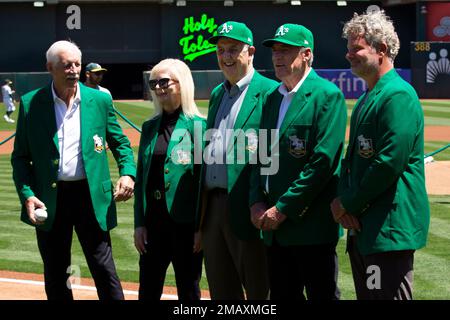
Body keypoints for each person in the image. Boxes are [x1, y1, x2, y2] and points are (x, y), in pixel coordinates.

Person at [11, 40, 136, 300]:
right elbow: (20, 158)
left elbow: (120, 142)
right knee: (56, 273)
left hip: (90, 196)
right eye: (66, 65)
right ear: (50, 68)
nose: (73, 70)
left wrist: (127, 172)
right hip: (51, 198)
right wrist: (27, 194)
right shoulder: (31, 103)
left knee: (103, 268)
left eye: (77, 64)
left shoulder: (99, 100)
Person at [331, 10, 430, 300]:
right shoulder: (368, 97)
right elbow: (352, 161)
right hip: (367, 228)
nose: (349, 55)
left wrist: (347, 202)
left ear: (382, 50)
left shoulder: (398, 94)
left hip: (387, 229)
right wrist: (344, 204)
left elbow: (389, 163)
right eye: (348, 48)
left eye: (356, 48)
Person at [249, 24, 347, 300]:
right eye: (275, 51)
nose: (277, 57)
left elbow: (323, 163)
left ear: (306, 54)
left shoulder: (327, 96)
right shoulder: (272, 99)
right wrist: (256, 200)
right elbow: (261, 156)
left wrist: (281, 209)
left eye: (286, 50)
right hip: (274, 231)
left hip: (311, 228)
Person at [194, 21, 278, 300]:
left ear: (251, 51)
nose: (226, 56)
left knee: (258, 288)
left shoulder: (269, 91)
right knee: (221, 289)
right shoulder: (218, 93)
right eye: (220, 50)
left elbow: (271, 154)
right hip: (213, 207)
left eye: (233, 49)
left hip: (247, 203)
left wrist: (264, 202)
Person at [134, 58, 206, 300]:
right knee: (148, 289)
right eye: (153, 83)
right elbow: (142, 177)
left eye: (164, 81)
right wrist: (139, 224)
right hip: (154, 225)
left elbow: (202, 185)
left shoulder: (200, 126)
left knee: (189, 290)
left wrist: (200, 228)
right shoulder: (149, 127)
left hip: (185, 227)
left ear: (182, 83)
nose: (158, 88)